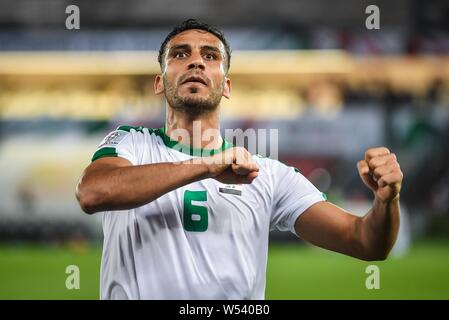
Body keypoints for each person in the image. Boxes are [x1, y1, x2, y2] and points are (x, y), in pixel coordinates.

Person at [75, 19, 403, 300]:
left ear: (227, 86)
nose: (195, 62)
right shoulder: (130, 143)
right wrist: (205, 166)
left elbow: (366, 243)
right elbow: (93, 193)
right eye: (179, 54)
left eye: (210, 55)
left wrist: (387, 201)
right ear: (159, 83)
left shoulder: (268, 175)